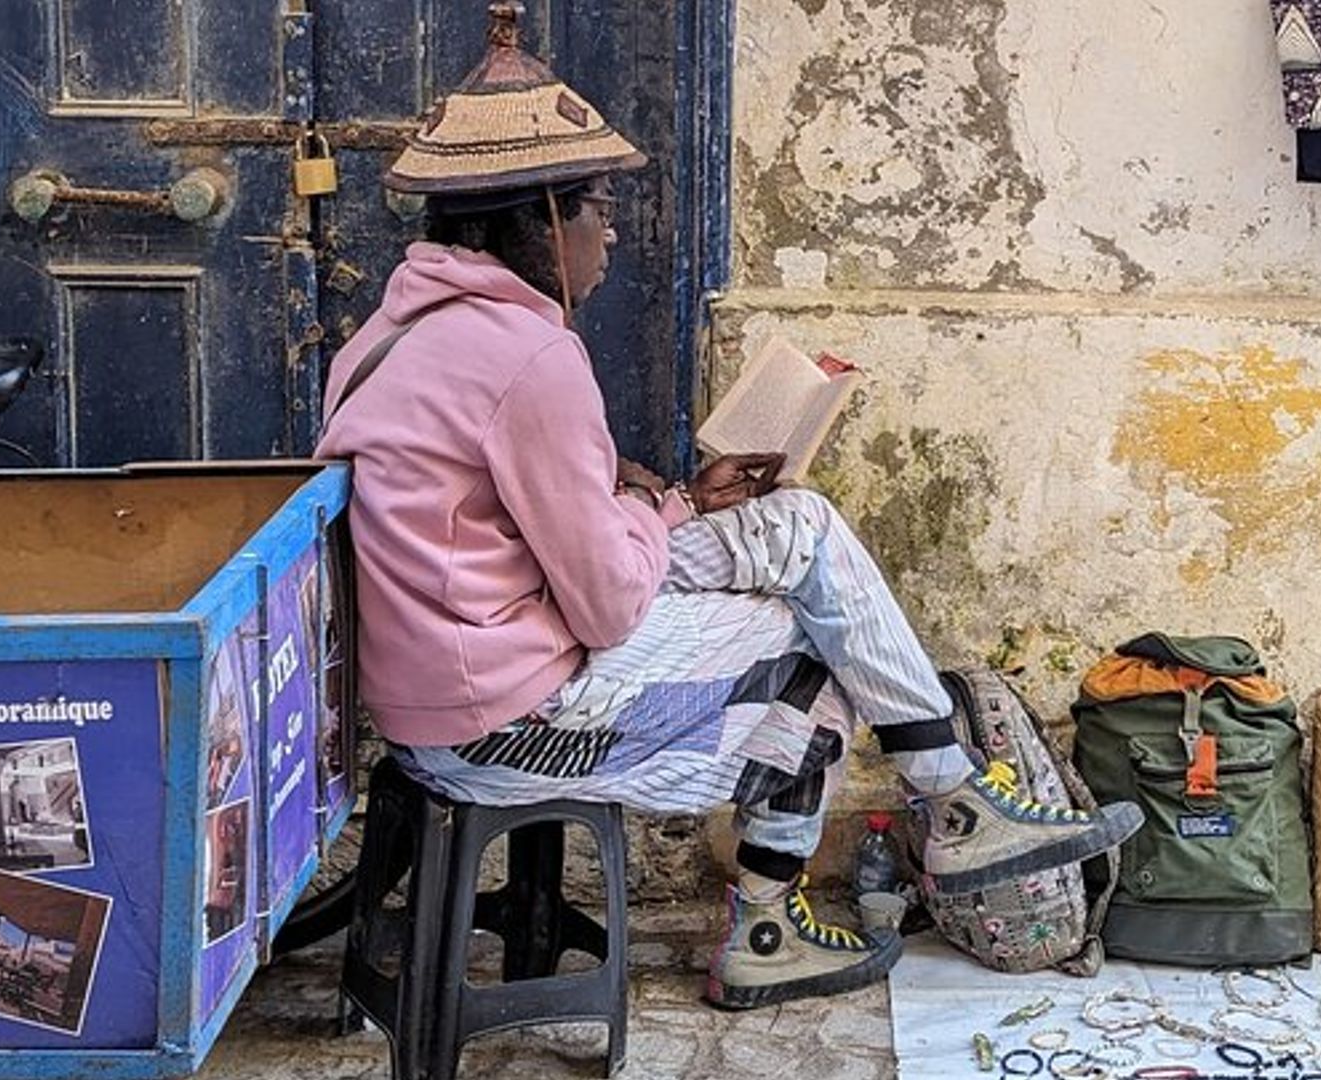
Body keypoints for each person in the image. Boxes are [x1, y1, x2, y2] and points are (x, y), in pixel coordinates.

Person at [315, 3, 1139, 1010]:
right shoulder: (529, 356)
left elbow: (509, 532)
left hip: (448, 682)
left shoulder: (382, 342)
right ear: (543, 217)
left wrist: (677, 505)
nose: (611, 232)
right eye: (598, 209)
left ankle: (950, 801)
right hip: (498, 723)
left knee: (798, 527)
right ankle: (791, 911)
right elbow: (607, 607)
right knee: (813, 658)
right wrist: (648, 511)